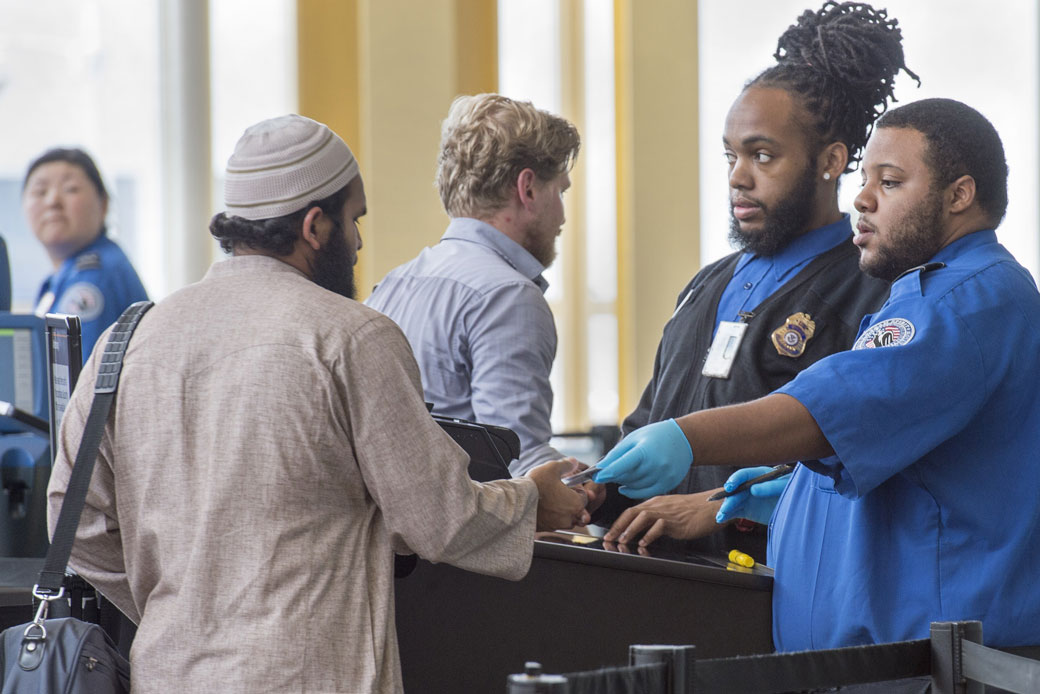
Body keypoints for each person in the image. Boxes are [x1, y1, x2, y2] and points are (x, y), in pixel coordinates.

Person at [47, 114, 589, 693]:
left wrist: (179, 605)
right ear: (314, 225)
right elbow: (440, 518)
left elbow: (73, 518)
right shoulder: (350, 337)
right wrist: (535, 501)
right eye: (354, 220)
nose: (358, 242)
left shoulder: (128, 339)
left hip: (170, 672)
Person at [596, 98, 1040, 654]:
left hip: (929, 661)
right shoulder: (935, 289)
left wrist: (686, 436)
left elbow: (827, 411)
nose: (862, 198)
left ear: (959, 195)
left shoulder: (962, 299)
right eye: (865, 177)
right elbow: (905, 457)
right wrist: (789, 498)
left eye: (891, 182)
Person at [596, 1, 917, 559]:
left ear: (831, 160)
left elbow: (858, 454)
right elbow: (650, 422)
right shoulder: (705, 285)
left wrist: (721, 504)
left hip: (772, 586)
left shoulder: (872, 291)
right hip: (653, 579)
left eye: (762, 156)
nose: (738, 178)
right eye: (730, 157)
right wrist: (595, 483)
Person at [365, 94, 579, 476]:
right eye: (560, 191)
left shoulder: (391, 286)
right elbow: (515, 463)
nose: (562, 214)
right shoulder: (508, 298)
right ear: (527, 189)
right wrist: (586, 487)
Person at [23, 147, 148, 359]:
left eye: (70, 189)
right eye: (40, 192)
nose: (53, 201)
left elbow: (74, 382)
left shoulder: (95, 276)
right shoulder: (63, 276)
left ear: (104, 204)